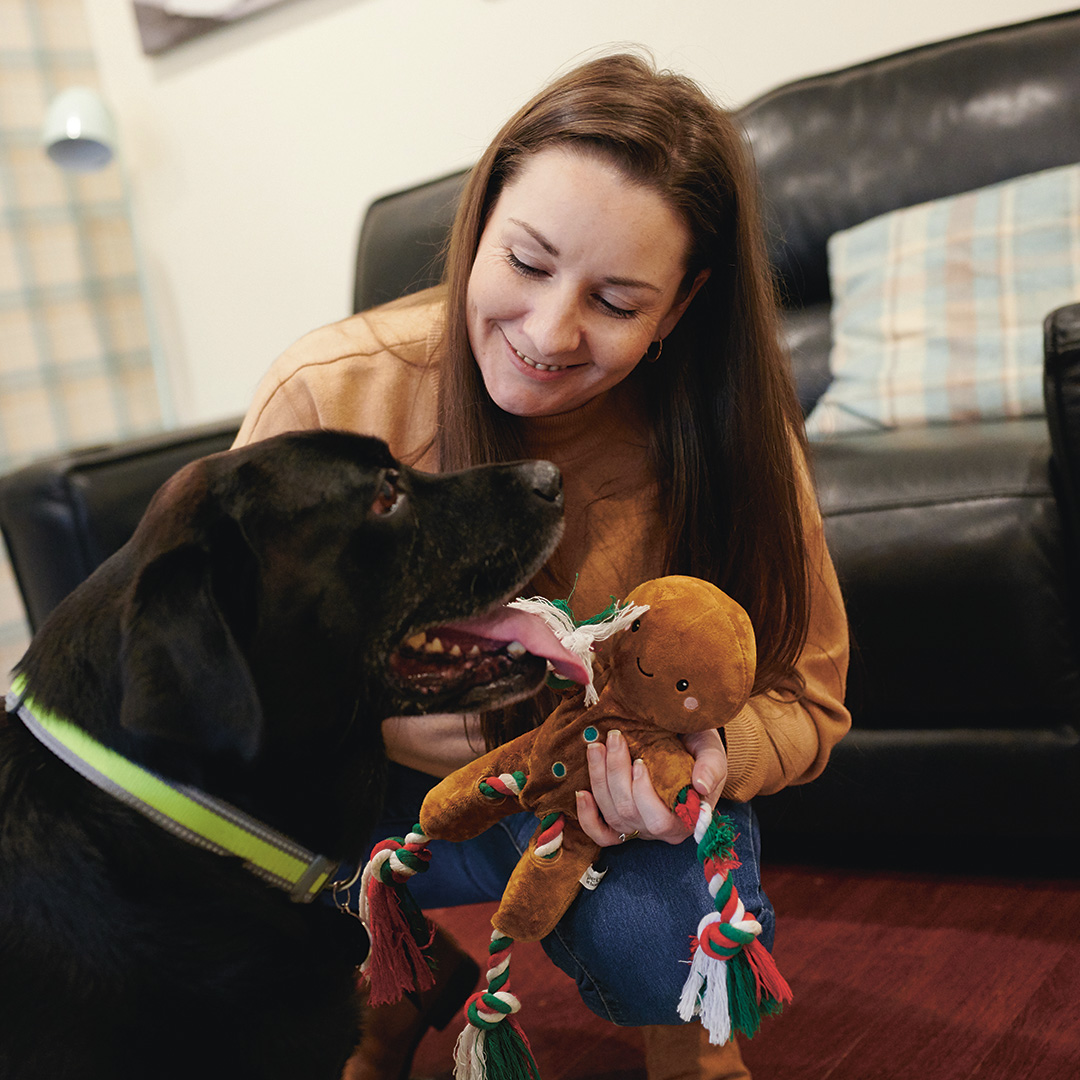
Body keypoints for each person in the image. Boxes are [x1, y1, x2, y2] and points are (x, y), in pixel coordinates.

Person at [234, 51, 850, 1080]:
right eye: (525, 263)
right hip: (380, 807)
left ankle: (691, 1034)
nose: (549, 331)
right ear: (477, 227)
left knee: (665, 945)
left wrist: (705, 765)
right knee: (205, 857)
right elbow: (235, 684)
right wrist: (371, 705)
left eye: (615, 301)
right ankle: (402, 967)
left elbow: (810, 699)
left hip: (602, 816)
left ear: (682, 305)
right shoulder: (326, 394)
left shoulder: (732, 438)